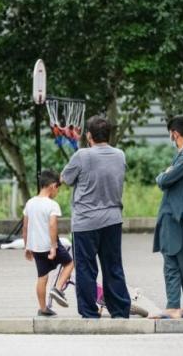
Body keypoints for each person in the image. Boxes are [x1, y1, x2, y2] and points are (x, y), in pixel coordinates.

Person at [61, 116, 131, 319]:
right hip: (112, 219)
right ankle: (119, 310)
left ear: (89, 135)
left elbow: (66, 178)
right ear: (109, 134)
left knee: (86, 268)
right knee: (113, 266)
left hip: (85, 222)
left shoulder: (82, 156)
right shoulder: (120, 155)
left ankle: (89, 312)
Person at [151, 115, 183, 319]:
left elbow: (164, 180)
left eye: (170, 133)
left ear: (175, 133)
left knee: (172, 259)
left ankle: (173, 307)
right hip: (180, 216)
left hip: (176, 217)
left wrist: (163, 174)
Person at [23, 170, 74, 317]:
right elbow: (52, 226)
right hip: (50, 245)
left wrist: (27, 247)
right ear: (52, 186)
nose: (58, 190)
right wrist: (53, 247)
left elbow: (25, 227)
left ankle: (43, 308)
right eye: (58, 187)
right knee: (70, 263)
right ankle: (57, 289)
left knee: (42, 276)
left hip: (36, 247)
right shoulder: (52, 205)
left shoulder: (30, 203)